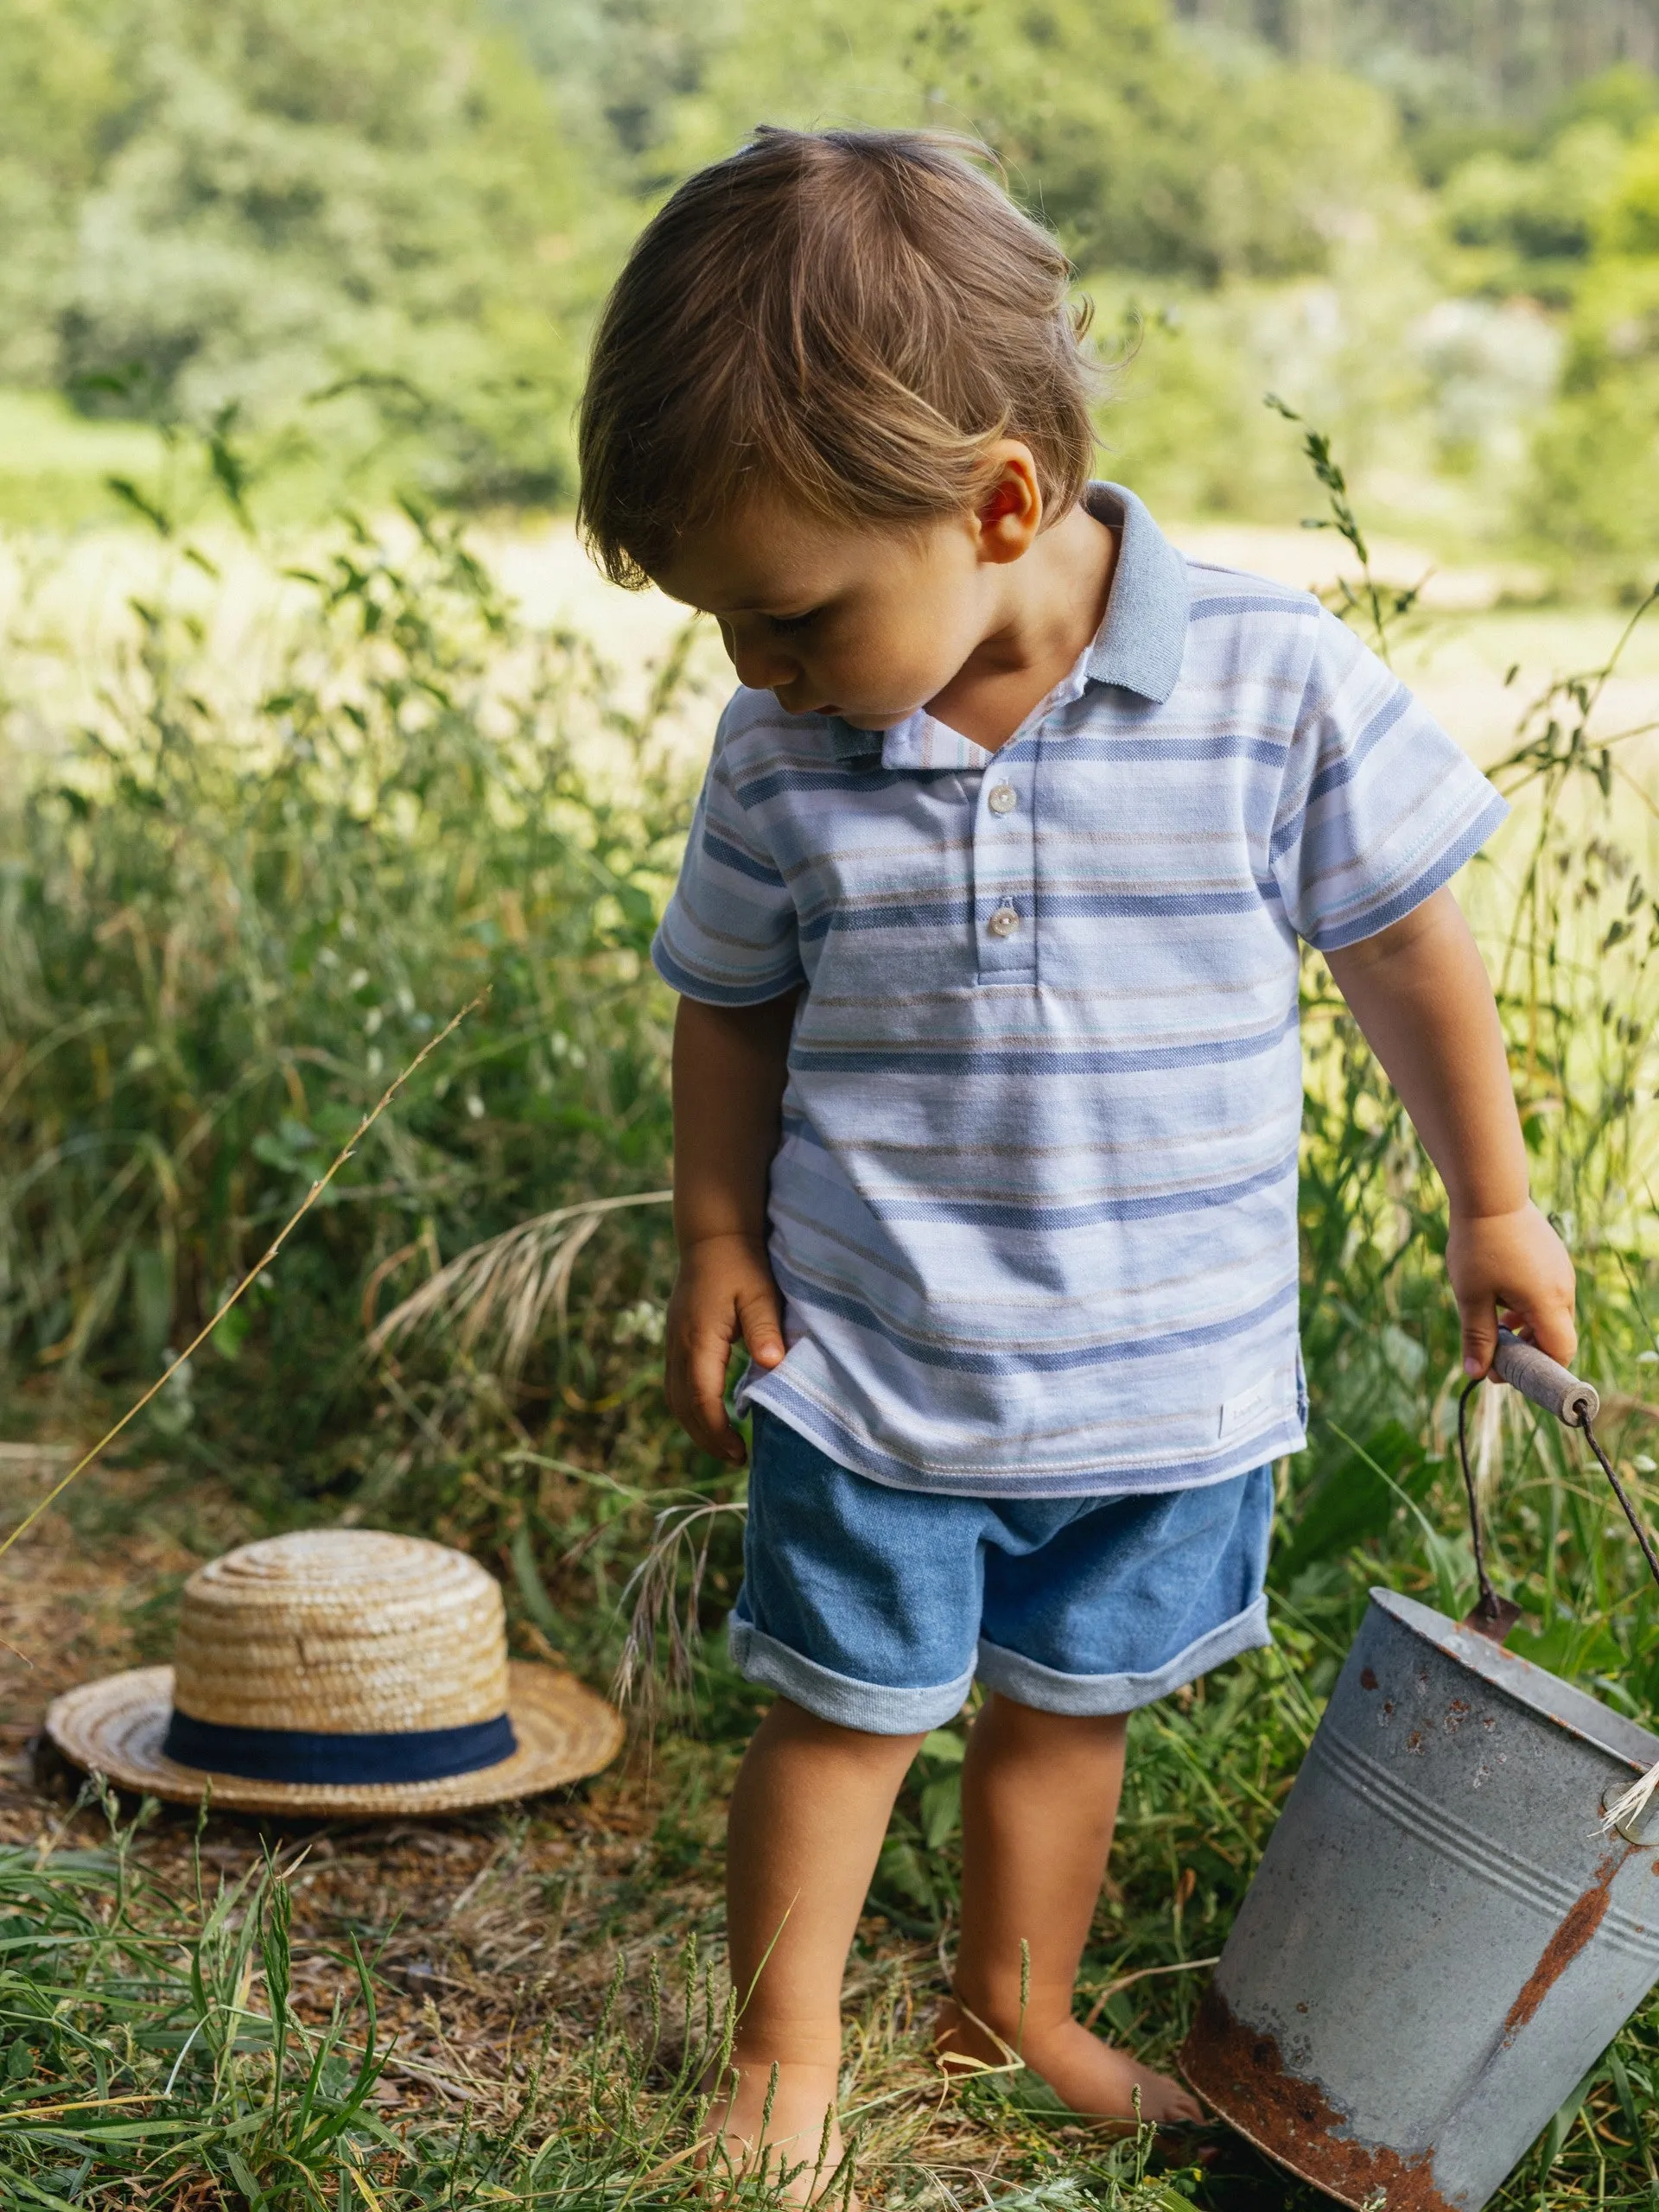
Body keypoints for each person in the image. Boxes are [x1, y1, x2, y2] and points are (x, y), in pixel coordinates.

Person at [576, 126, 1579, 2196]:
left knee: (1066, 1710)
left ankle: (1007, 2000)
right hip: (875, 1347)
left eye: (786, 614)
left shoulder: (1268, 684)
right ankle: (783, 2051)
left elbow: (1403, 935)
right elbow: (730, 999)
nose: (750, 667)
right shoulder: (787, 747)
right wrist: (712, 1225)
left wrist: (1493, 1197)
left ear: (1000, 499)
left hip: (1164, 1368)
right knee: (843, 1709)